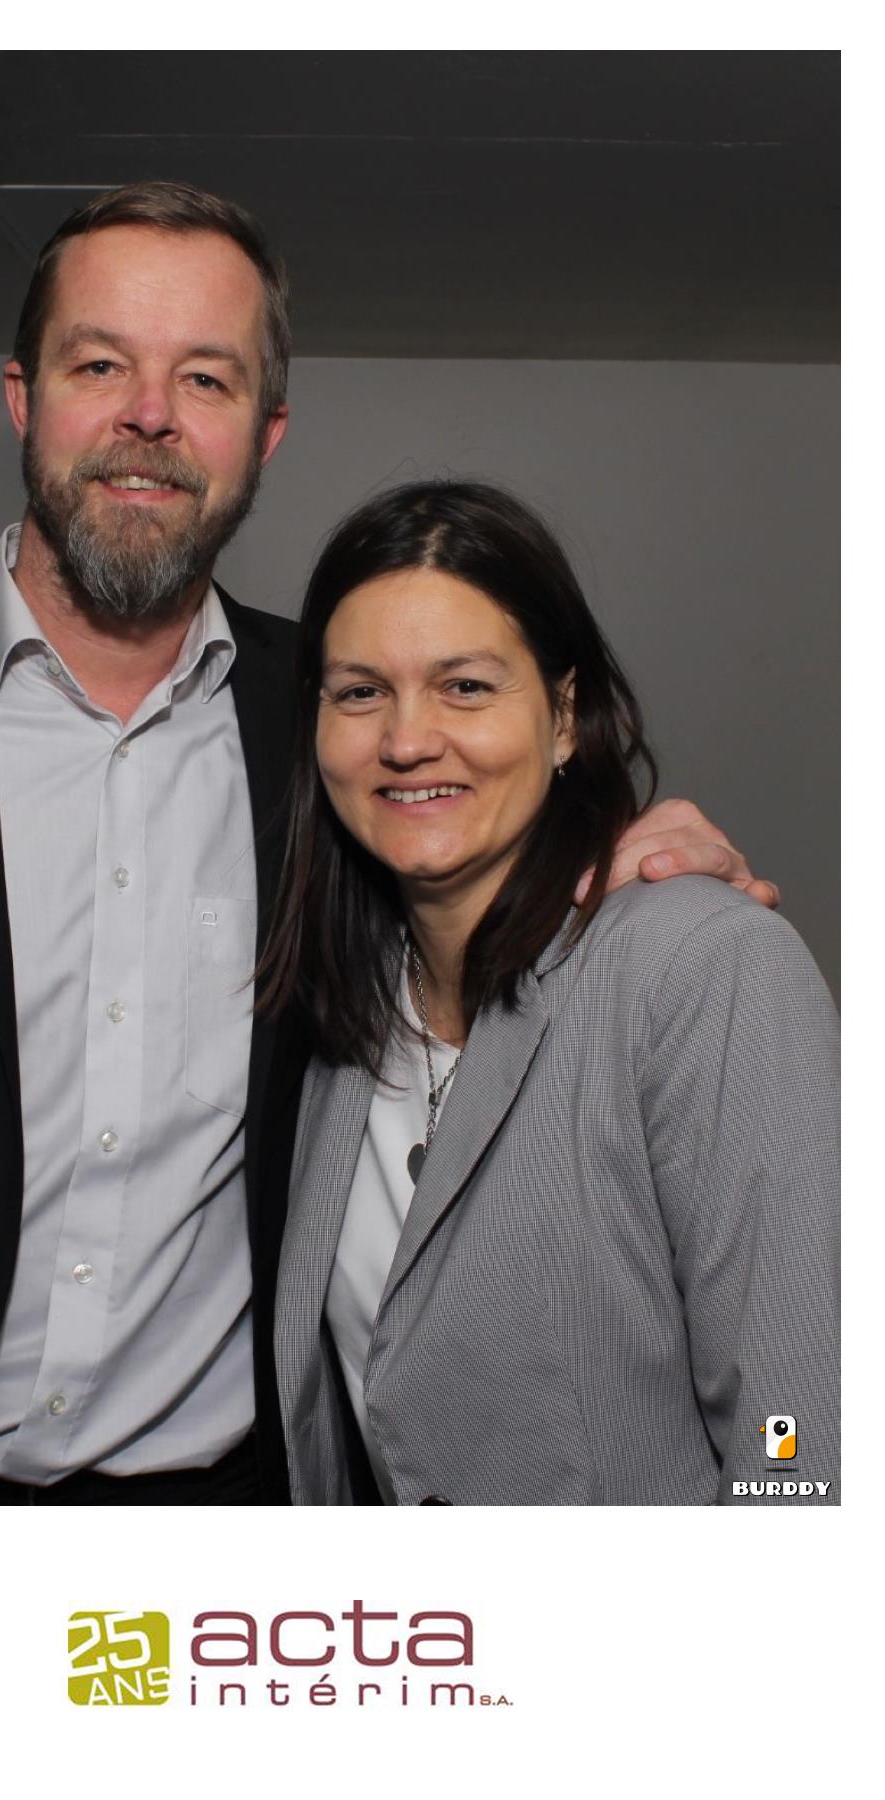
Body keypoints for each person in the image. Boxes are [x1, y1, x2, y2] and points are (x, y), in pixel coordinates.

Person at [0, 182, 777, 1506]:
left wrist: (623, 871)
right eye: (99, 364)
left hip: (223, 1508)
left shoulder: (337, 727)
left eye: (206, 378)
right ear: (23, 397)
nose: (149, 415)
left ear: (265, 431)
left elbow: (481, 878)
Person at [264, 480, 838, 1506]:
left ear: (566, 716)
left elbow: (801, 1433)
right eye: (360, 692)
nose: (406, 739)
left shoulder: (702, 969)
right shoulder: (342, 1015)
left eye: (465, 686)